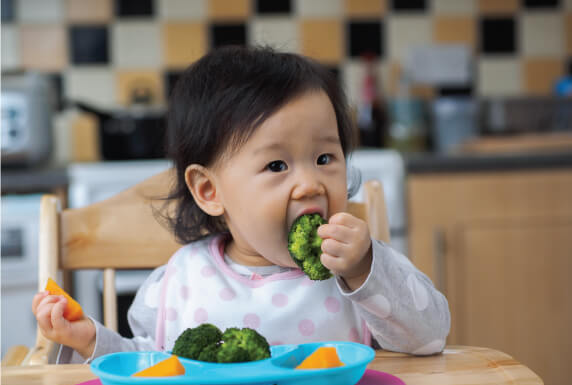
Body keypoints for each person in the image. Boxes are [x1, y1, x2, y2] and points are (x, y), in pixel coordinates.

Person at [32, 46, 450, 363]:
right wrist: (90, 341)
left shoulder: (358, 273)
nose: (309, 184)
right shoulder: (179, 283)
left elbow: (430, 338)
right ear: (210, 191)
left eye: (325, 158)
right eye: (276, 165)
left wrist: (365, 269)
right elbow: (149, 367)